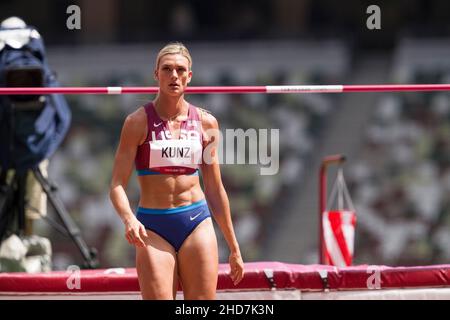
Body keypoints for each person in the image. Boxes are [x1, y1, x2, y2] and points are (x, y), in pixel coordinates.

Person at [109, 42, 244, 300]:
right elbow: (116, 185)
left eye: (180, 70)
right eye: (167, 69)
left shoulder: (206, 123)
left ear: (189, 76)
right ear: (156, 74)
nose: (174, 75)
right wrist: (128, 219)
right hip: (153, 227)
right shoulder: (136, 123)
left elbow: (215, 189)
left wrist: (234, 246)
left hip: (196, 222)